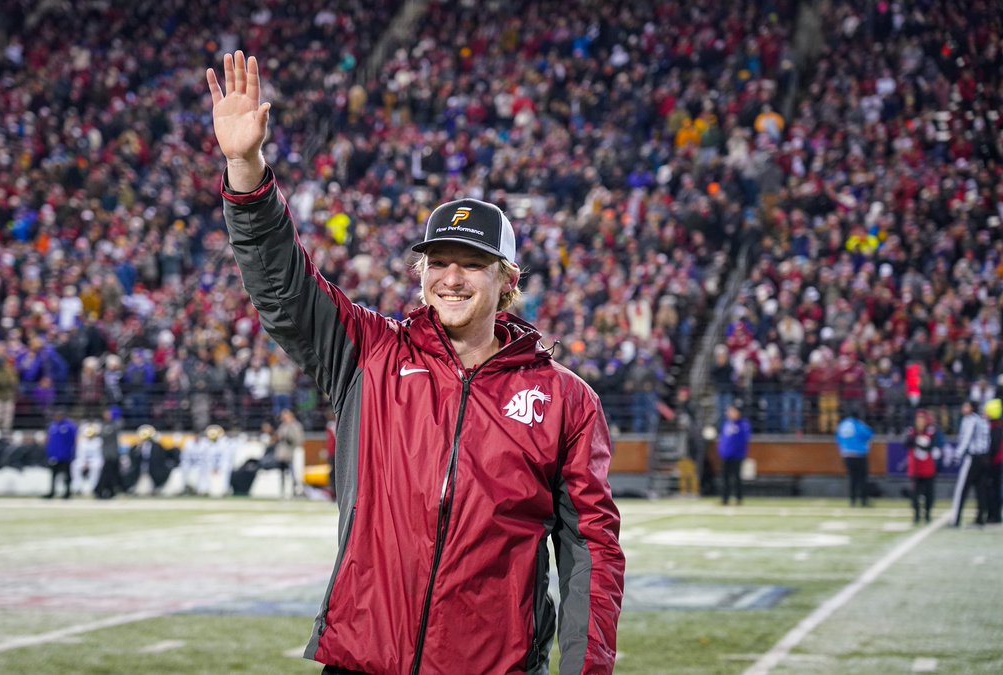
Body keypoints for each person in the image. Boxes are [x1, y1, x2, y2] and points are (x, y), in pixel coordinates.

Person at [209, 51, 623, 674]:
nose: (451, 279)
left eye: (471, 264)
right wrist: (246, 168)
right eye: (439, 262)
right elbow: (283, 288)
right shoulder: (369, 352)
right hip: (362, 661)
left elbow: (590, 550)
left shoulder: (565, 399)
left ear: (507, 279)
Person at [951, 400, 992, 527]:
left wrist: (957, 455)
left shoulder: (970, 420)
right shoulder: (982, 420)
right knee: (980, 489)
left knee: (962, 489)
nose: (964, 408)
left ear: (971, 408)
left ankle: (956, 519)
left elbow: (966, 439)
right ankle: (980, 519)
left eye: (966, 406)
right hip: (984, 458)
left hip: (973, 458)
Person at [904, 409, 943, 524]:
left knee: (929, 493)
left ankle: (927, 514)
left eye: (922, 419)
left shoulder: (931, 431)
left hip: (927, 468)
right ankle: (916, 515)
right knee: (915, 493)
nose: (920, 422)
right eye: (918, 419)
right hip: (915, 468)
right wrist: (915, 438)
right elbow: (906, 443)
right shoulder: (911, 431)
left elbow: (929, 446)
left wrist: (917, 441)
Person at [836, 414, 874, 507]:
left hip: (847, 455)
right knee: (862, 479)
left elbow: (838, 439)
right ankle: (864, 501)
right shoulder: (858, 424)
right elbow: (869, 434)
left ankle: (852, 500)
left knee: (852, 479)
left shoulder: (842, 425)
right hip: (859, 455)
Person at [717, 404, 751, 506]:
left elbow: (743, 440)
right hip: (726, 456)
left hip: (737, 456)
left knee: (736, 478)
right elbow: (723, 440)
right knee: (725, 478)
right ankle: (725, 499)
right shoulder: (727, 424)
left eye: (732, 411)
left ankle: (738, 498)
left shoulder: (743, 424)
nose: (729, 413)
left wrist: (737, 451)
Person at [44, 408, 77, 499]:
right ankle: (52, 491)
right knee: (53, 475)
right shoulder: (53, 426)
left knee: (67, 475)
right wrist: (50, 453)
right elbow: (49, 440)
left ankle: (68, 492)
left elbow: (74, 440)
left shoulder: (70, 426)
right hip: (55, 455)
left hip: (66, 455)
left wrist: (72, 453)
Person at [273, 409, 304, 499]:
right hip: (283, 454)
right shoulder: (283, 426)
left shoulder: (296, 425)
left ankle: (294, 491)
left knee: (293, 474)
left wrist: (288, 438)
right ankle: (283, 491)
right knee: (282, 474)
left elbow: (299, 439)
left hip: (292, 453)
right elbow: (278, 437)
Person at [94, 408, 123, 499]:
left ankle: (108, 491)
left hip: (113, 453)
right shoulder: (103, 425)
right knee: (107, 473)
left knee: (111, 474)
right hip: (107, 453)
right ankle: (101, 490)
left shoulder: (114, 424)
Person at [71, 421, 103, 496]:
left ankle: (92, 487)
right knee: (75, 465)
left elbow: (99, 455)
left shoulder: (98, 441)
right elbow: (80, 454)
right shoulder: (82, 442)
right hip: (84, 461)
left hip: (95, 460)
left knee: (96, 467)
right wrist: (85, 462)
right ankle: (77, 486)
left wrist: (90, 462)